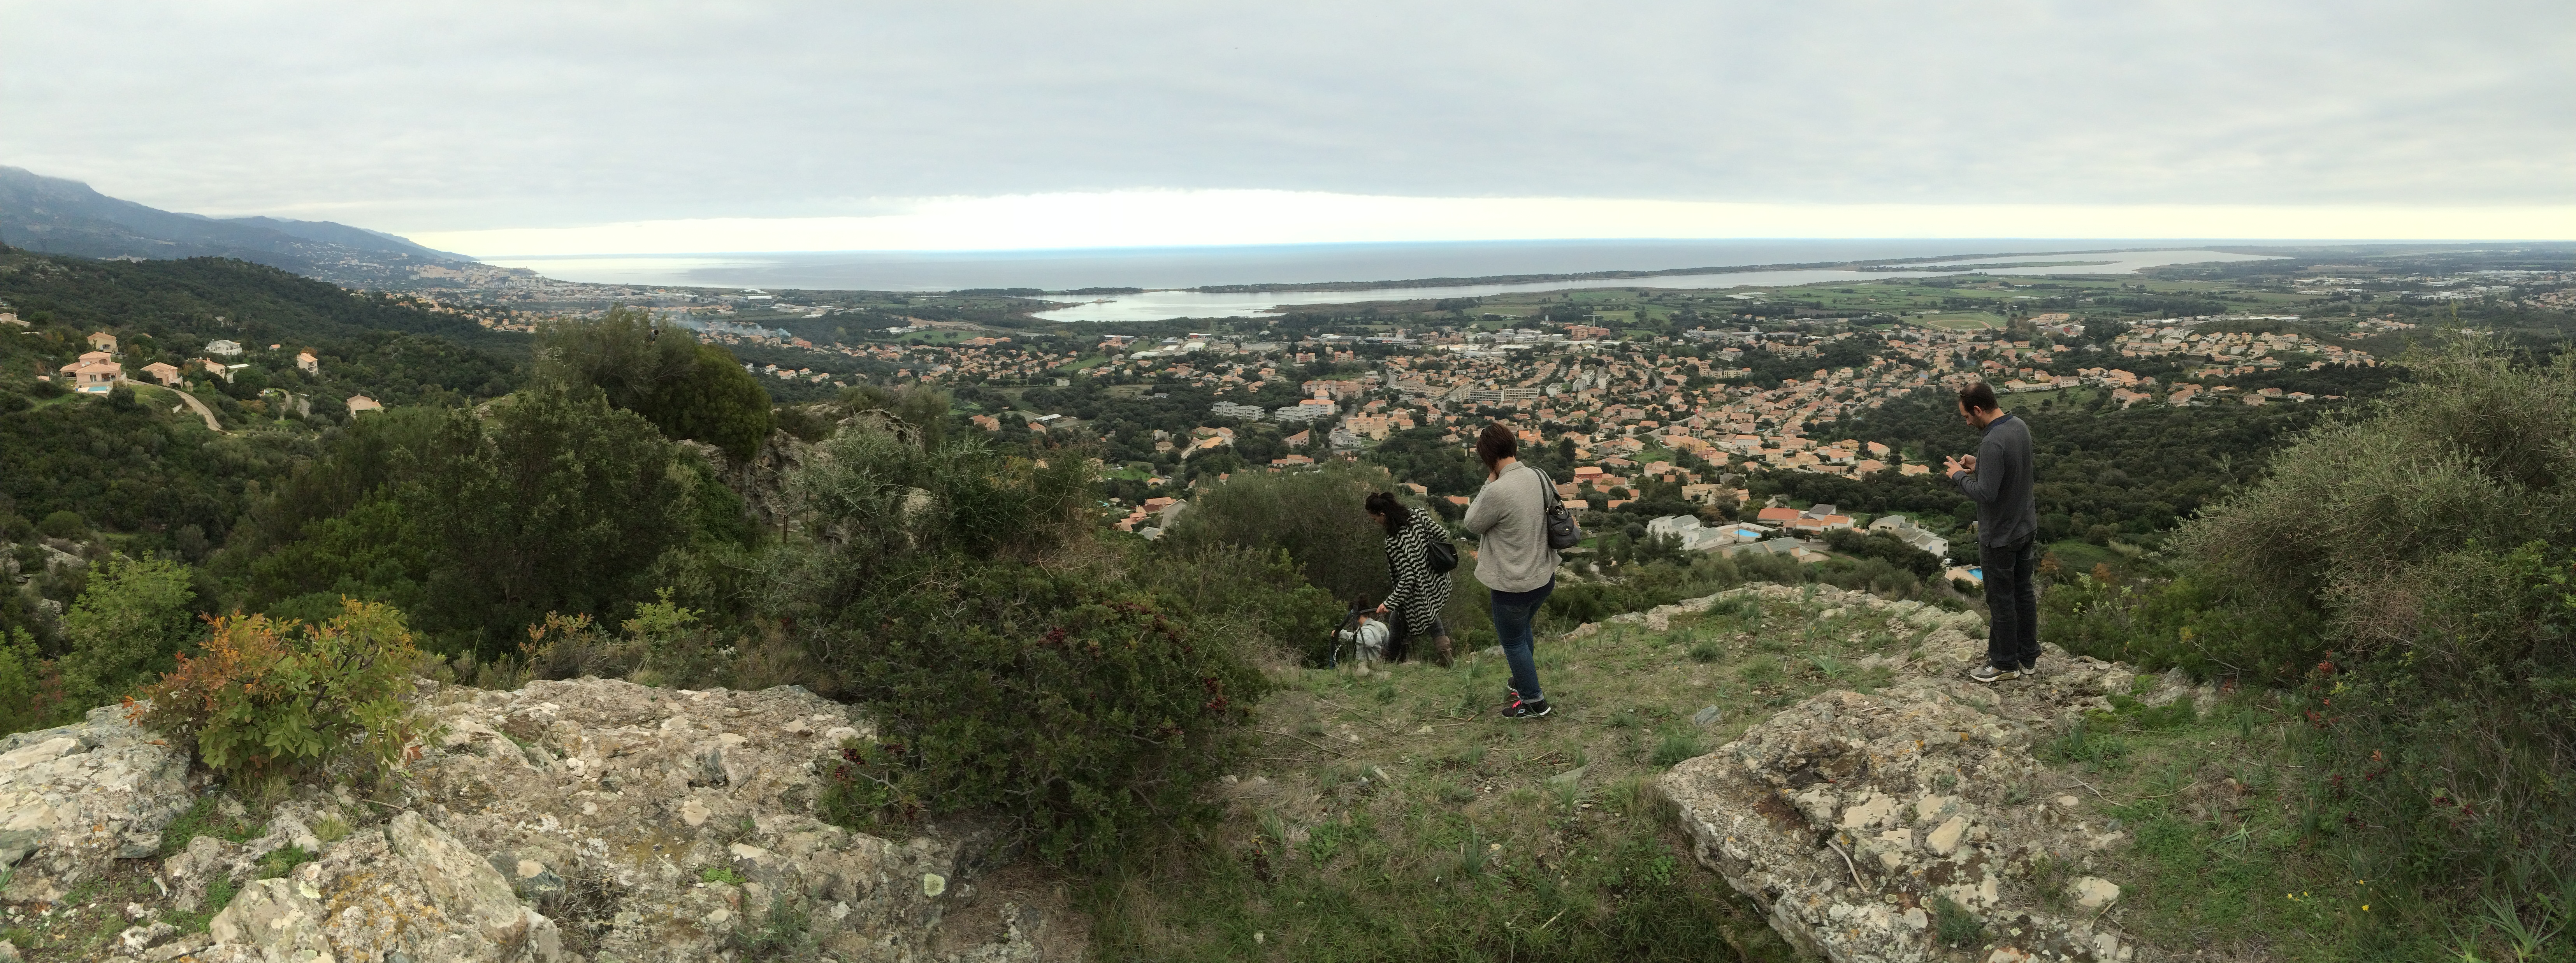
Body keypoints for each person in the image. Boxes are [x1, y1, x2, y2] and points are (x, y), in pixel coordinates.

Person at [1462, 423, 1560, 718]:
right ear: (1514, 447)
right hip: (1543, 576)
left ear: (1487, 458)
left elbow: (1472, 523)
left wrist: (1488, 482)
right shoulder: (1539, 476)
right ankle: (1522, 681)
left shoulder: (1498, 490)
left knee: (1514, 641)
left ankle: (1534, 701)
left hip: (1513, 584)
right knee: (1521, 632)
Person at [1945, 381, 2039, 683]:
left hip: (2000, 535)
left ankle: (2003, 664)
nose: (1968, 422)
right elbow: (2011, 471)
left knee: (2001, 601)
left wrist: (1958, 476)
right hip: (2026, 526)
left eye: (1967, 417)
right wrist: (1981, 465)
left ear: (1977, 409)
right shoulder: (2018, 426)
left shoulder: (1991, 441)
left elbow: (1986, 494)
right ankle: (2028, 658)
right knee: (2024, 594)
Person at [1366, 491, 1456, 666]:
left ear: (1383, 515)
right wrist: (1424, 548)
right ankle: (1392, 656)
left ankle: (1389, 658)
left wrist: (1389, 602)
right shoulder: (1419, 514)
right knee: (1405, 616)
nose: (1375, 523)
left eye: (1374, 519)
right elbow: (1443, 535)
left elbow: (1408, 578)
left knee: (1424, 614)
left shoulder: (1394, 542)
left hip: (1419, 588)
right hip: (1436, 578)